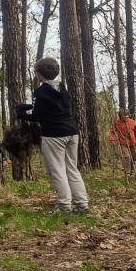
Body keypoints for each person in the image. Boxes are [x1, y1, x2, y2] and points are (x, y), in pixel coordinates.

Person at [17, 57, 89, 215]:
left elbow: (37, 116)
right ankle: (82, 204)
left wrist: (22, 114)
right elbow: (54, 107)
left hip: (54, 134)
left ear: (39, 74)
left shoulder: (41, 91)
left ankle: (64, 206)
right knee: (72, 169)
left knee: (57, 170)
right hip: (71, 132)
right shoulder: (62, 88)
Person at [107, 110, 136, 179]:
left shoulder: (132, 122)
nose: (126, 117)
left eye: (127, 116)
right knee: (127, 157)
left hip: (132, 143)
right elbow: (112, 132)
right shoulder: (117, 123)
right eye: (124, 116)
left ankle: (132, 173)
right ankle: (127, 172)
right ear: (120, 116)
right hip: (123, 143)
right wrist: (112, 139)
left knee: (134, 158)